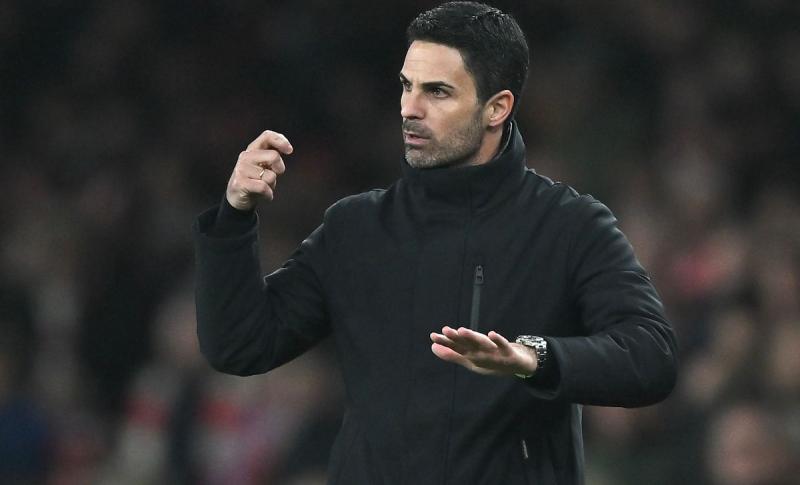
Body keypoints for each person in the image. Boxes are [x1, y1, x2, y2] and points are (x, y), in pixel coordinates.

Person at [193, 2, 678, 483]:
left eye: (437, 92)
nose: (410, 109)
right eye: (407, 86)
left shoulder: (568, 226)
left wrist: (535, 358)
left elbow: (651, 355)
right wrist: (234, 217)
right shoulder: (356, 228)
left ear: (497, 108)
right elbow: (241, 345)